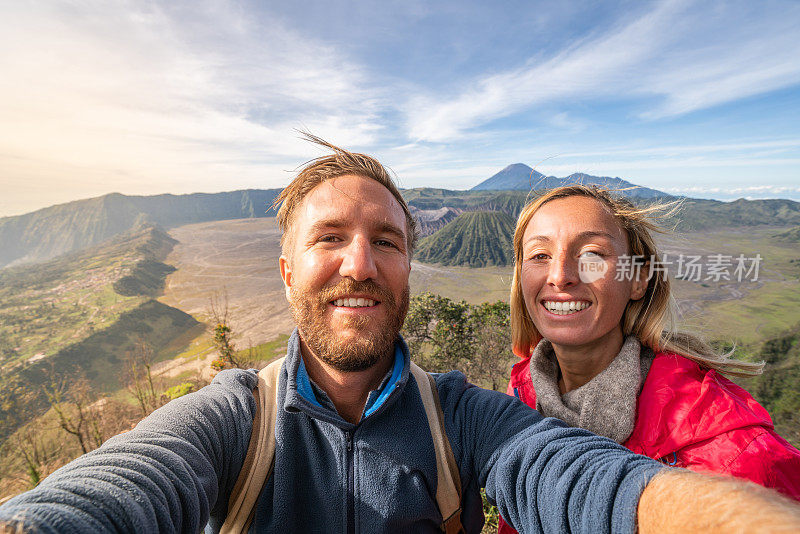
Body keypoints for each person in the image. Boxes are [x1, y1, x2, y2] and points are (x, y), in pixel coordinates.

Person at [1, 139, 799, 534]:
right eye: (329, 238)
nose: (361, 265)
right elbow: (125, 483)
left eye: (386, 241)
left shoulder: (467, 415)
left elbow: (586, 480)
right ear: (284, 270)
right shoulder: (232, 420)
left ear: (409, 267)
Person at [498, 185, 800, 532]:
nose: (560, 275)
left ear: (638, 279)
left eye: (593, 255)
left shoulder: (737, 455)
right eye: (539, 255)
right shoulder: (522, 392)